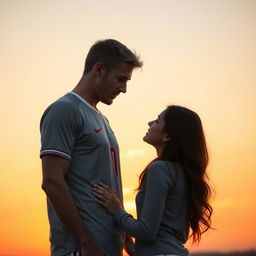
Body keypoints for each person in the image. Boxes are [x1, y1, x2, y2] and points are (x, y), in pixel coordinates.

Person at [40, 39, 143, 256]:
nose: (123, 89)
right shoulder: (63, 110)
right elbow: (52, 182)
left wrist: (127, 238)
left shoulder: (102, 120)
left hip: (108, 247)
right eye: (121, 79)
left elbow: (108, 183)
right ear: (99, 69)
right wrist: (86, 242)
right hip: (80, 250)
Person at [93, 105, 213, 256]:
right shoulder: (184, 172)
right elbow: (169, 232)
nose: (150, 123)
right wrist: (133, 247)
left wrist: (116, 209)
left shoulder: (160, 169)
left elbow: (146, 232)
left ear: (167, 136)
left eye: (157, 121)